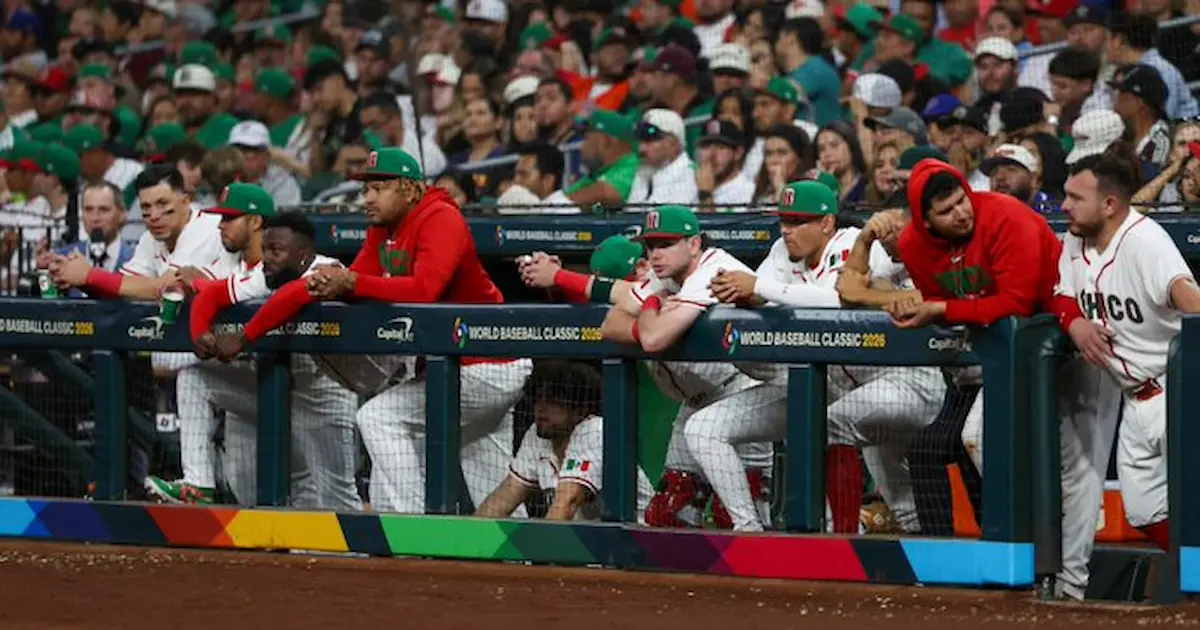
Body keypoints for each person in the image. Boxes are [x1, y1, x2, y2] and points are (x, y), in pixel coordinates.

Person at [211, 148, 532, 514]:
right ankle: (522, 557)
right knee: (484, 470)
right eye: (366, 190)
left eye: (378, 188)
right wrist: (253, 331)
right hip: (464, 366)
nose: (368, 198)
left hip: (487, 362)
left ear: (409, 189)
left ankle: (411, 534)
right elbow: (351, 281)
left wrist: (350, 283)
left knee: (379, 417)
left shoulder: (441, 217)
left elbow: (424, 289)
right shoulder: (383, 229)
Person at [895, 158, 1113, 601]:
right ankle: (1014, 548)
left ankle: (1043, 556)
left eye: (961, 200)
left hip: (1058, 336)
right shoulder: (911, 244)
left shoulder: (1005, 216)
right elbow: (942, 301)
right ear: (925, 220)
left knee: (1055, 458)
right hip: (991, 350)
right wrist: (928, 310)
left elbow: (1015, 303)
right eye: (946, 210)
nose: (960, 213)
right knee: (959, 441)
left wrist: (940, 310)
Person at [145, 196, 360, 511]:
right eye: (267, 248)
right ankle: (199, 483)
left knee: (336, 493)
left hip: (325, 394)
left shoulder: (326, 269)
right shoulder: (265, 273)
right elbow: (216, 294)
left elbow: (291, 297)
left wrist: (244, 337)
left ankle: (349, 558)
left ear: (303, 255)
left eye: (277, 251)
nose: (267, 258)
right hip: (277, 389)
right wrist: (199, 331)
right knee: (197, 382)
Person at [1054, 152, 1200, 561]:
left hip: (1178, 390)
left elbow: (1192, 302)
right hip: (1134, 401)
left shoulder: (1145, 242)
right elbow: (1061, 291)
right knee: (1143, 509)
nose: (1064, 205)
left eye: (1074, 197)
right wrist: (1074, 324)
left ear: (1110, 205)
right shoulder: (1075, 237)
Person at [600, 205, 775, 531]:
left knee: (735, 515)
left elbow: (654, 339)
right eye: (650, 246)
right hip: (693, 403)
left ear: (693, 244)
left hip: (742, 389)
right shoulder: (659, 278)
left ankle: (765, 575)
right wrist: (653, 308)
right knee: (666, 515)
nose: (655, 254)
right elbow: (610, 325)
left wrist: (649, 308)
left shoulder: (713, 271)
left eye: (665, 244)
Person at [476, 360, 655, 522]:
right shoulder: (537, 434)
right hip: (592, 547)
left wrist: (540, 557)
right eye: (537, 399)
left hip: (641, 543)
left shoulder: (595, 432)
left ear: (580, 408)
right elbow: (503, 499)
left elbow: (566, 504)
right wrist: (465, 538)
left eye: (553, 401)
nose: (541, 408)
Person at [48, 165, 236, 300]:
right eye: (146, 207)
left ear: (185, 201)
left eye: (162, 204)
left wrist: (90, 275)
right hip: (167, 348)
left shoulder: (206, 228)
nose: (153, 215)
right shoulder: (150, 238)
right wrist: (78, 279)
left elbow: (165, 288)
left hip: (214, 347)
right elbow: (124, 288)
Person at [562, 111, 639, 211]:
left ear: (607, 141)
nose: (581, 147)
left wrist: (561, 204)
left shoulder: (632, 164)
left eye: (586, 138)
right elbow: (566, 197)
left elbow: (608, 193)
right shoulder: (596, 174)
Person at [1110, 65, 1170, 179]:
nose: (1116, 99)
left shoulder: (1159, 141)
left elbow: (1151, 184)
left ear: (1138, 102)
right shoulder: (1125, 136)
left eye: (1122, 93)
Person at [629, 109, 698, 208]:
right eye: (641, 141)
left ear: (674, 144)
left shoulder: (692, 177)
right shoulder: (645, 172)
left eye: (650, 141)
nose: (641, 149)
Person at [228, 120, 302, 207]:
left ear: (267, 154)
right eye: (239, 149)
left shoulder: (282, 181)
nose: (245, 155)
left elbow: (285, 218)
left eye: (252, 149)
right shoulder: (222, 177)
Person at [696, 119, 754, 212]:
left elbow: (709, 226)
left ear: (738, 153)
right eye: (706, 147)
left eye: (721, 147)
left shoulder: (749, 193)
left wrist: (705, 195)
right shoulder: (687, 188)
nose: (711, 155)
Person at [981, 143, 1054, 211]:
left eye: (1011, 170)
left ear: (1033, 179)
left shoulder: (1053, 212)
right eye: (994, 172)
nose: (999, 177)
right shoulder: (983, 213)